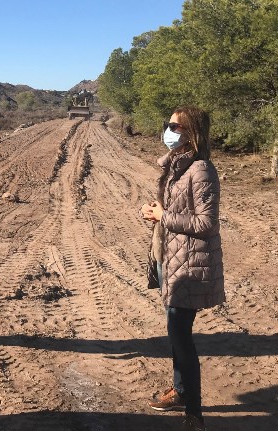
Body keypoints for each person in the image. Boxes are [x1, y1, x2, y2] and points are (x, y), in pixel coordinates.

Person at [140, 106, 225, 431]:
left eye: (174, 126)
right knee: (176, 334)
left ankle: (194, 414)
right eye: (168, 125)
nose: (168, 130)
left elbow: (207, 223)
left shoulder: (201, 170)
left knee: (180, 335)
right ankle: (180, 390)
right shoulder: (178, 166)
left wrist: (163, 217)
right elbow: (172, 209)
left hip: (190, 263)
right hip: (172, 258)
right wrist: (153, 212)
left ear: (191, 133)